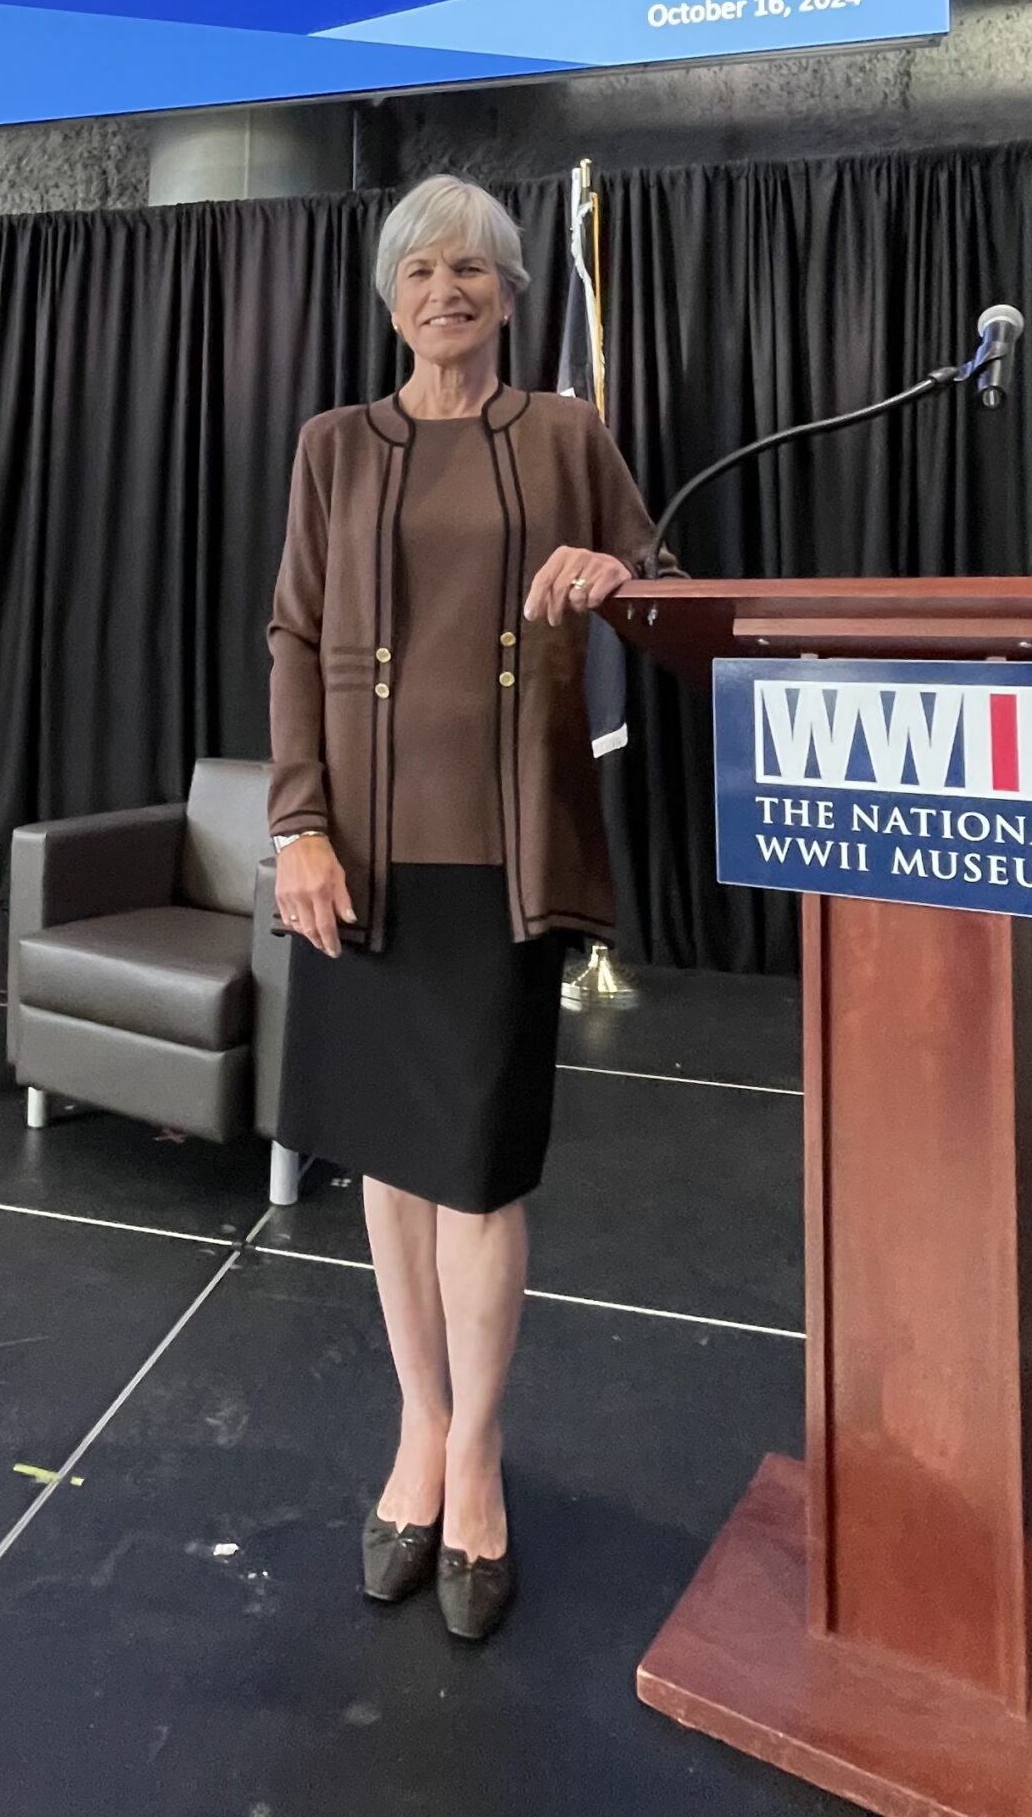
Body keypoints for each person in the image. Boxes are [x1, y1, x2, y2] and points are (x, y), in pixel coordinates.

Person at [267, 174, 671, 1641]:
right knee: (386, 1161)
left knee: (480, 1171)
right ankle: (418, 1432)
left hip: (507, 857)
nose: (450, 292)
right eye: (424, 271)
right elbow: (297, 636)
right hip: (358, 858)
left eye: (478, 273)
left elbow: (666, 587)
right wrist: (297, 822)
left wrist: (616, 575)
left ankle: (483, 1455)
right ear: (390, 299)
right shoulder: (335, 448)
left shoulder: (568, 436)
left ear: (513, 296)